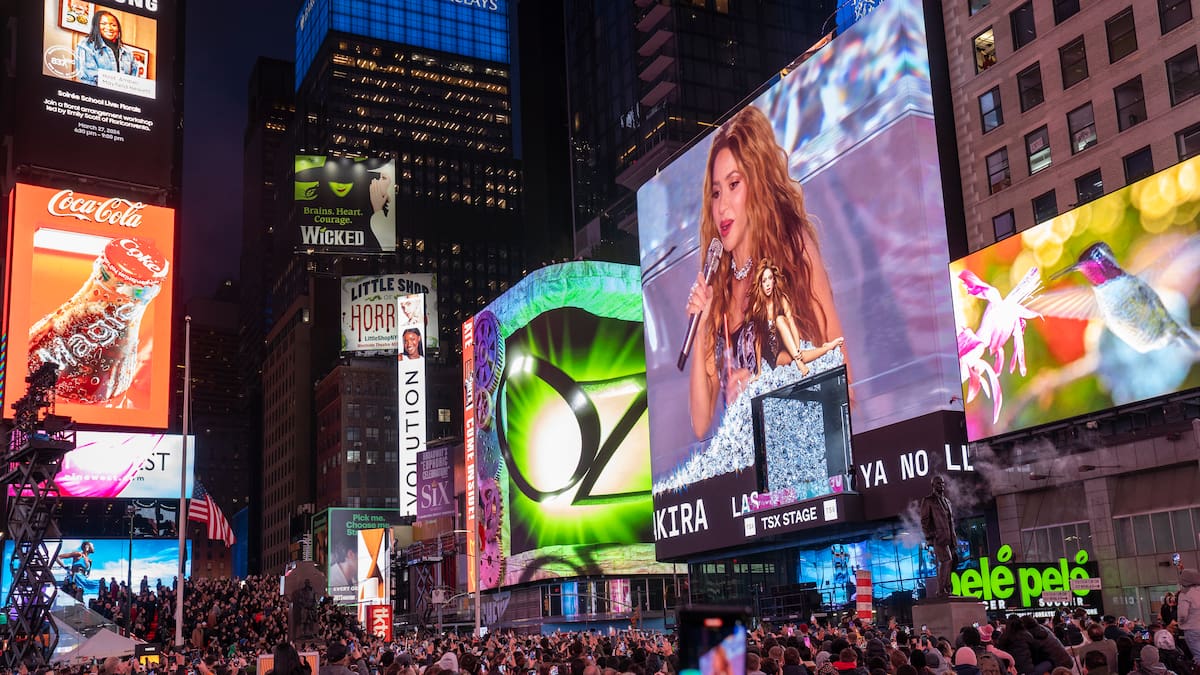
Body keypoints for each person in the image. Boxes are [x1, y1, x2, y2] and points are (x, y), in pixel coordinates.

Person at [686, 105, 844, 439]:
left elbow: (839, 367)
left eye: (734, 184)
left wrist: (765, 386)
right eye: (716, 192)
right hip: (745, 468)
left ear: (757, 185)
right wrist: (699, 326)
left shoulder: (793, 251)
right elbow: (701, 424)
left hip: (800, 451)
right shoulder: (719, 289)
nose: (722, 206)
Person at [748, 259, 844, 376]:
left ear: (774, 280)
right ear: (760, 284)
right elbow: (757, 340)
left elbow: (791, 323)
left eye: (770, 278)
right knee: (795, 357)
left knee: (780, 320)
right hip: (773, 354)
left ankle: (800, 362)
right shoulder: (757, 307)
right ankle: (827, 348)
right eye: (764, 281)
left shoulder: (781, 300)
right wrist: (759, 371)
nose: (768, 284)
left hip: (787, 344)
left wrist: (797, 349)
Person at [918, 476, 958, 598]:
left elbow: (950, 521)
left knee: (950, 563)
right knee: (946, 560)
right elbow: (924, 521)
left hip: (949, 537)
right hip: (938, 537)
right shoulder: (928, 500)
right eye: (938, 483)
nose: (941, 485)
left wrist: (954, 538)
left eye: (942, 483)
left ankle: (947, 589)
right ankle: (941, 590)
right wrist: (930, 537)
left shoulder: (947, 502)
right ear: (933, 485)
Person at [75, 11, 137, 85]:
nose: (109, 28)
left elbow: (133, 81)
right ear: (96, 26)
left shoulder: (127, 52)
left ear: (118, 29)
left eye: (113, 25)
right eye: (104, 24)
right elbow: (87, 78)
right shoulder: (86, 46)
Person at [1177, 568, 1200, 665]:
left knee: (1198, 656)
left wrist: (1180, 623)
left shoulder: (1185, 594)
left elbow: (1183, 614)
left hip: (1191, 629)